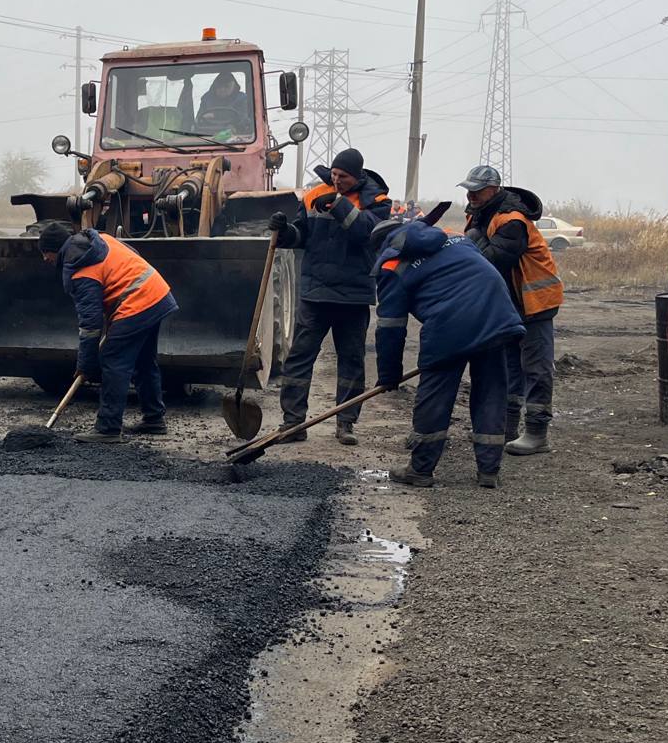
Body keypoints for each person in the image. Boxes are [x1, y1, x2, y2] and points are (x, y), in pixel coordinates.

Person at [371, 218, 525, 489]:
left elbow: (391, 327)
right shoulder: (453, 237)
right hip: (497, 313)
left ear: (382, 246)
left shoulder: (391, 266)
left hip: (451, 322)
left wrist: (389, 375)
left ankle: (420, 470)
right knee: (491, 391)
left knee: (435, 395)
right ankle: (489, 471)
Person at [268, 147, 392, 446]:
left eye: (344, 177)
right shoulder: (314, 194)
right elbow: (303, 236)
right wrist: (284, 233)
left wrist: (338, 204)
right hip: (316, 293)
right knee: (299, 358)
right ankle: (293, 423)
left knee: (351, 361)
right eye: (334, 175)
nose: (337, 181)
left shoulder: (377, 201)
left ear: (357, 176)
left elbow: (367, 234)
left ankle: (345, 423)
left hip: (353, 296)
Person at [38, 222, 178, 444]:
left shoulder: (80, 269)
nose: (45, 258)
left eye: (45, 252)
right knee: (144, 360)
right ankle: (154, 419)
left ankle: (108, 428)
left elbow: (90, 325)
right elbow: (133, 254)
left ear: (55, 249)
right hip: (157, 294)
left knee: (113, 360)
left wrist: (86, 364)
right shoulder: (100, 240)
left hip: (137, 302)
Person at [460, 165, 564, 455]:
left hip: (534, 302)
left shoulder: (512, 220)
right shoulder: (479, 215)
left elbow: (491, 261)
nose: (471, 195)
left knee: (536, 368)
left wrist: (471, 243)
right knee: (510, 367)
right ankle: (507, 428)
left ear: (494, 190)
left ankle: (537, 433)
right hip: (508, 303)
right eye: (469, 190)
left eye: (477, 190)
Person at [196, 70, 251, 138]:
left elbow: (243, 119)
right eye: (219, 86)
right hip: (207, 136)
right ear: (215, 86)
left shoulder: (242, 99)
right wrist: (202, 119)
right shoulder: (206, 99)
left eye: (227, 86)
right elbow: (199, 119)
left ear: (233, 86)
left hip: (236, 137)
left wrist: (215, 116)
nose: (222, 89)